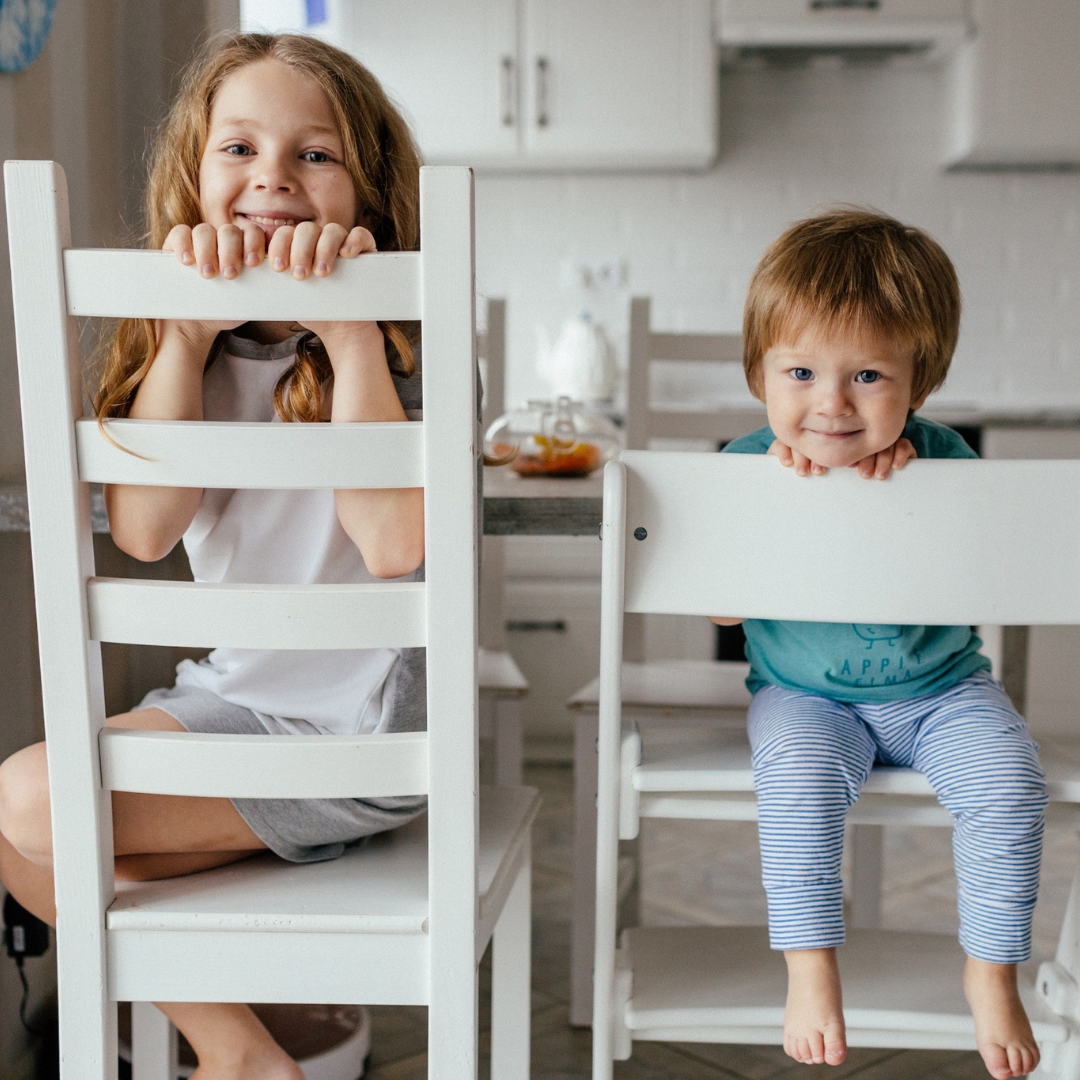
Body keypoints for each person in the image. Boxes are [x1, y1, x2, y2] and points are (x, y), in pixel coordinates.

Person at [0, 33, 428, 1079]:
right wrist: (186, 339)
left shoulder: (411, 349)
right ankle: (241, 1046)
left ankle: (239, 1048)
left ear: (365, 189)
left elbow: (392, 546)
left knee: (32, 815)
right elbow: (145, 532)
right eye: (238, 147)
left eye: (314, 155)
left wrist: (356, 335)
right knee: (20, 821)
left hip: (361, 732)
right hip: (236, 703)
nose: (273, 177)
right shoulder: (181, 349)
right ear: (196, 178)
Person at [711, 210, 1047, 1080]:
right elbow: (716, 611)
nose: (831, 403)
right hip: (805, 695)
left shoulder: (945, 462)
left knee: (1011, 782)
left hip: (941, 690)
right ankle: (811, 969)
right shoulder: (743, 470)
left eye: (867, 375)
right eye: (800, 372)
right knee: (795, 779)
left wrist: (910, 501)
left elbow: (988, 583)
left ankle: (992, 971)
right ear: (759, 375)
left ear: (918, 385)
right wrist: (782, 515)